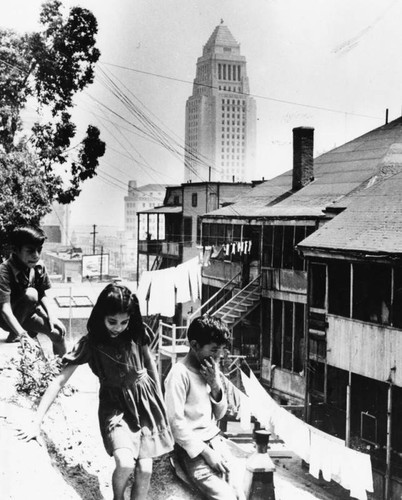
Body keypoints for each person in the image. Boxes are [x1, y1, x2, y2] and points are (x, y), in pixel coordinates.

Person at [17, 283, 174, 500]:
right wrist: (36, 422)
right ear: (101, 316)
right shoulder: (91, 344)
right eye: (112, 321)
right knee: (125, 463)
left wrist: (160, 401)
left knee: (145, 470)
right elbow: (59, 381)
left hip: (145, 403)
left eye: (124, 322)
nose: (118, 327)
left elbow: (150, 364)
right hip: (115, 407)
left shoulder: (137, 333)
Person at [164, 314, 244, 500]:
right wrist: (207, 453)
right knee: (226, 498)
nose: (218, 356)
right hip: (192, 450)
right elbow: (175, 424)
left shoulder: (209, 371)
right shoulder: (179, 374)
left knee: (239, 492)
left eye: (222, 350)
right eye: (214, 349)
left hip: (215, 441)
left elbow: (220, 413)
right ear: (195, 345)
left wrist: (215, 384)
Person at [0, 225, 66, 356]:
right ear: (15, 250)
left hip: (30, 313)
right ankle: (15, 334)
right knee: (31, 294)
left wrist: (51, 317)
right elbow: (4, 309)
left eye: (39, 250)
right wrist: (23, 334)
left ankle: (61, 370)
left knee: (57, 333)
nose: (36, 255)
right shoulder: (4, 270)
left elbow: (42, 295)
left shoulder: (38, 266)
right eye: (30, 251)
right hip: (7, 319)